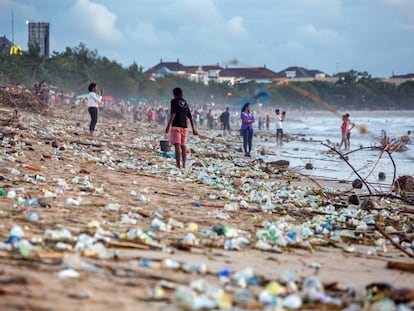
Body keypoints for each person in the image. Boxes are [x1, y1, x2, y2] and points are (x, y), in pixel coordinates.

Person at [165, 87, 198, 169]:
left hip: (176, 126)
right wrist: (193, 129)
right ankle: (184, 164)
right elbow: (189, 116)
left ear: (174, 94)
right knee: (183, 146)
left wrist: (168, 126)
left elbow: (173, 114)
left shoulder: (174, 101)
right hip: (185, 127)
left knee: (177, 146)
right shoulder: (185, 102)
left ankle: (178, 165)